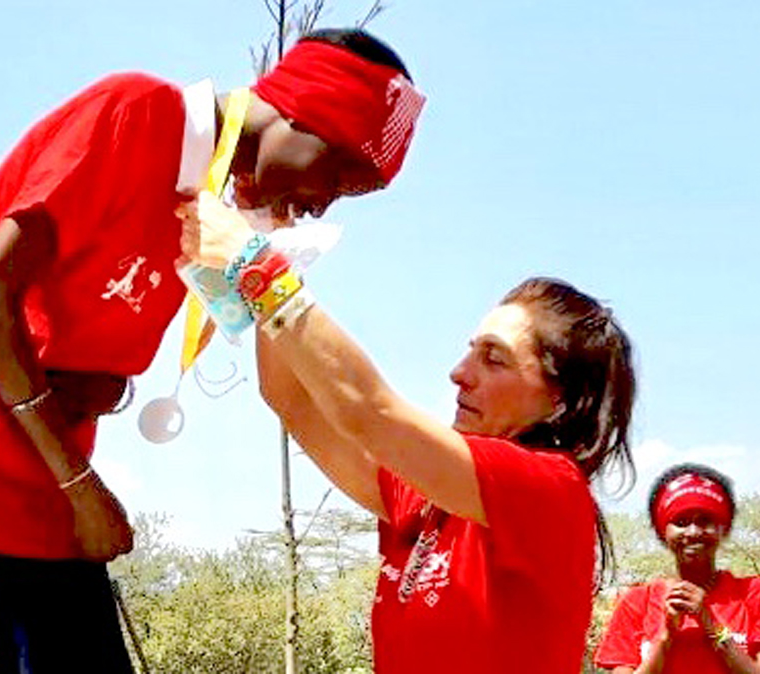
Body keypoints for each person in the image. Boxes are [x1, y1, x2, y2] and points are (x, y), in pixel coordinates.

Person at [0, 28, 425, 674]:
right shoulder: (136, 113)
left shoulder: (210, 218)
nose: (321, 204)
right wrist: (84, 490)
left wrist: (106, 386)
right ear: (298, 112)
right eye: (337, 173)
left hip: (47, 497)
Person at [178, 203, 637, 672]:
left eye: (494, 359)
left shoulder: (548, 489)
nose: (459, 374)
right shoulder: (424, 499)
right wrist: (270, 232)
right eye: (471, 351)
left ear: (558, 399)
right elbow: (291, 398)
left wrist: (255, 265)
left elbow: (370, 412)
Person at [594, 464, 760, 673]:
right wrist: (665, 637)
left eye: (706, 521)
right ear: (662, 532)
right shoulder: (636, 603)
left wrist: (713, 626)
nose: (693, 532)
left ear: (723, 529)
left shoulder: (757, 594)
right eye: (681, 522)